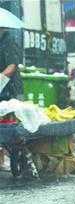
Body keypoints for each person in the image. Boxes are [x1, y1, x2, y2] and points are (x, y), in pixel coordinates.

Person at [0, 27, 23, 166]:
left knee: (11, 126)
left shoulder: (9, 41)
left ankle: (20, 156)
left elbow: (12, 66)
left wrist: (1, 78)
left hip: (11, 88)